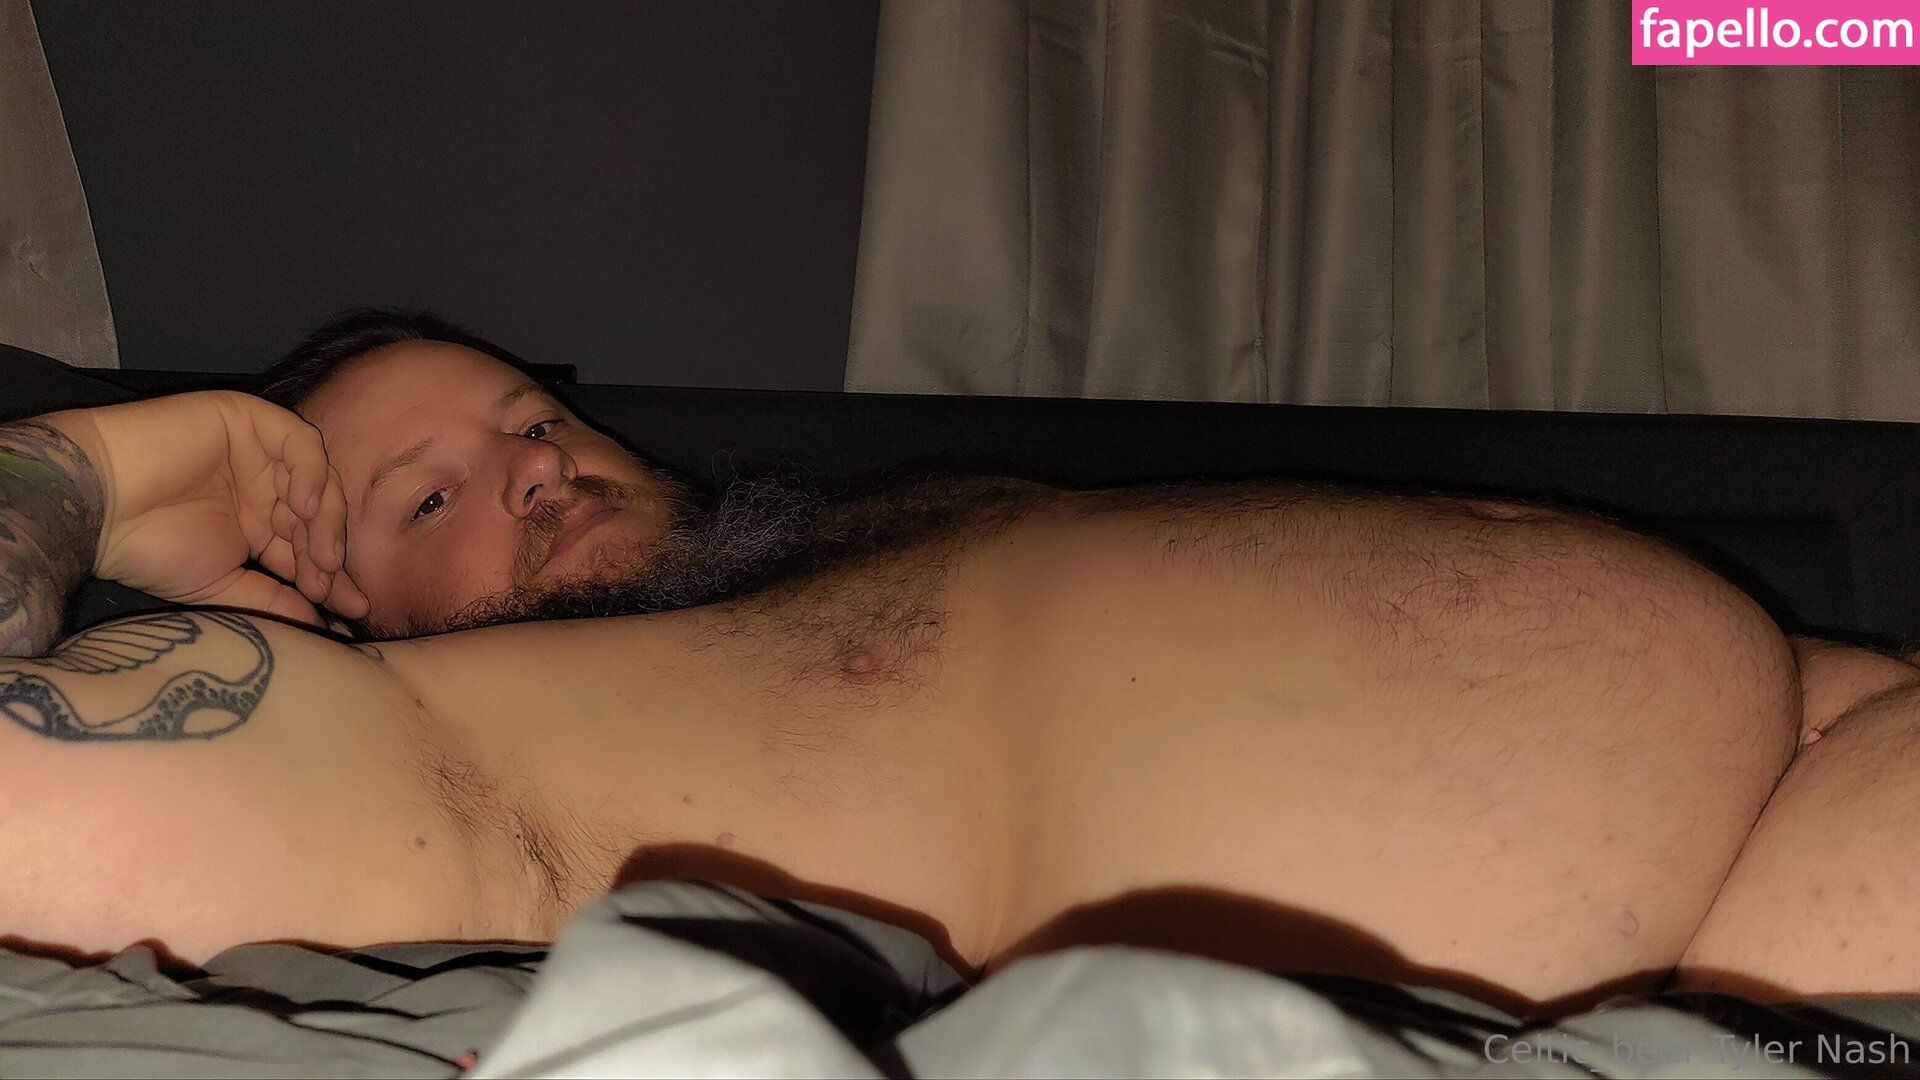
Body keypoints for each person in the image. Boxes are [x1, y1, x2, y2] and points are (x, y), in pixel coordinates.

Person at [2, 309, 1916, 1019]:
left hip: (1825, 794)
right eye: (428, 497)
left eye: (534, 417)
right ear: (309, 604)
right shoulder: (387, 726)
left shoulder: (871, 530)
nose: (540, 466)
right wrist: (101, 466)